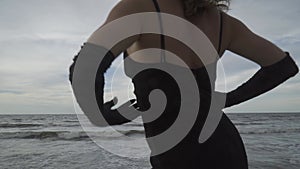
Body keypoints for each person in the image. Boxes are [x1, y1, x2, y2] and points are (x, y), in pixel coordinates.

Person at [69, 0, 299, 168]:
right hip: (227, 150)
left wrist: (101, 115)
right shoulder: (225, 24)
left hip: (178, 156)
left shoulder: (140, 8)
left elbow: (85, 66)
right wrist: (224, 99)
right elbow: (282, 67)